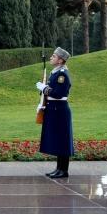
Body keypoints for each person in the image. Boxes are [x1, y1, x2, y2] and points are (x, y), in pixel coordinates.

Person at [36, 47, 73, 179]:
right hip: (54, 109)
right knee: (58, 140)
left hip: (60, 110)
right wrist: (42, 104)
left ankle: (64, 170)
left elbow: (58, 93)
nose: (51, 58)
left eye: (54, 56)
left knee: (62, 140)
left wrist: (44, 88)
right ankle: (59, 168)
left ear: (60, 60)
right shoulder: (55, 73)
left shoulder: (62, 74)